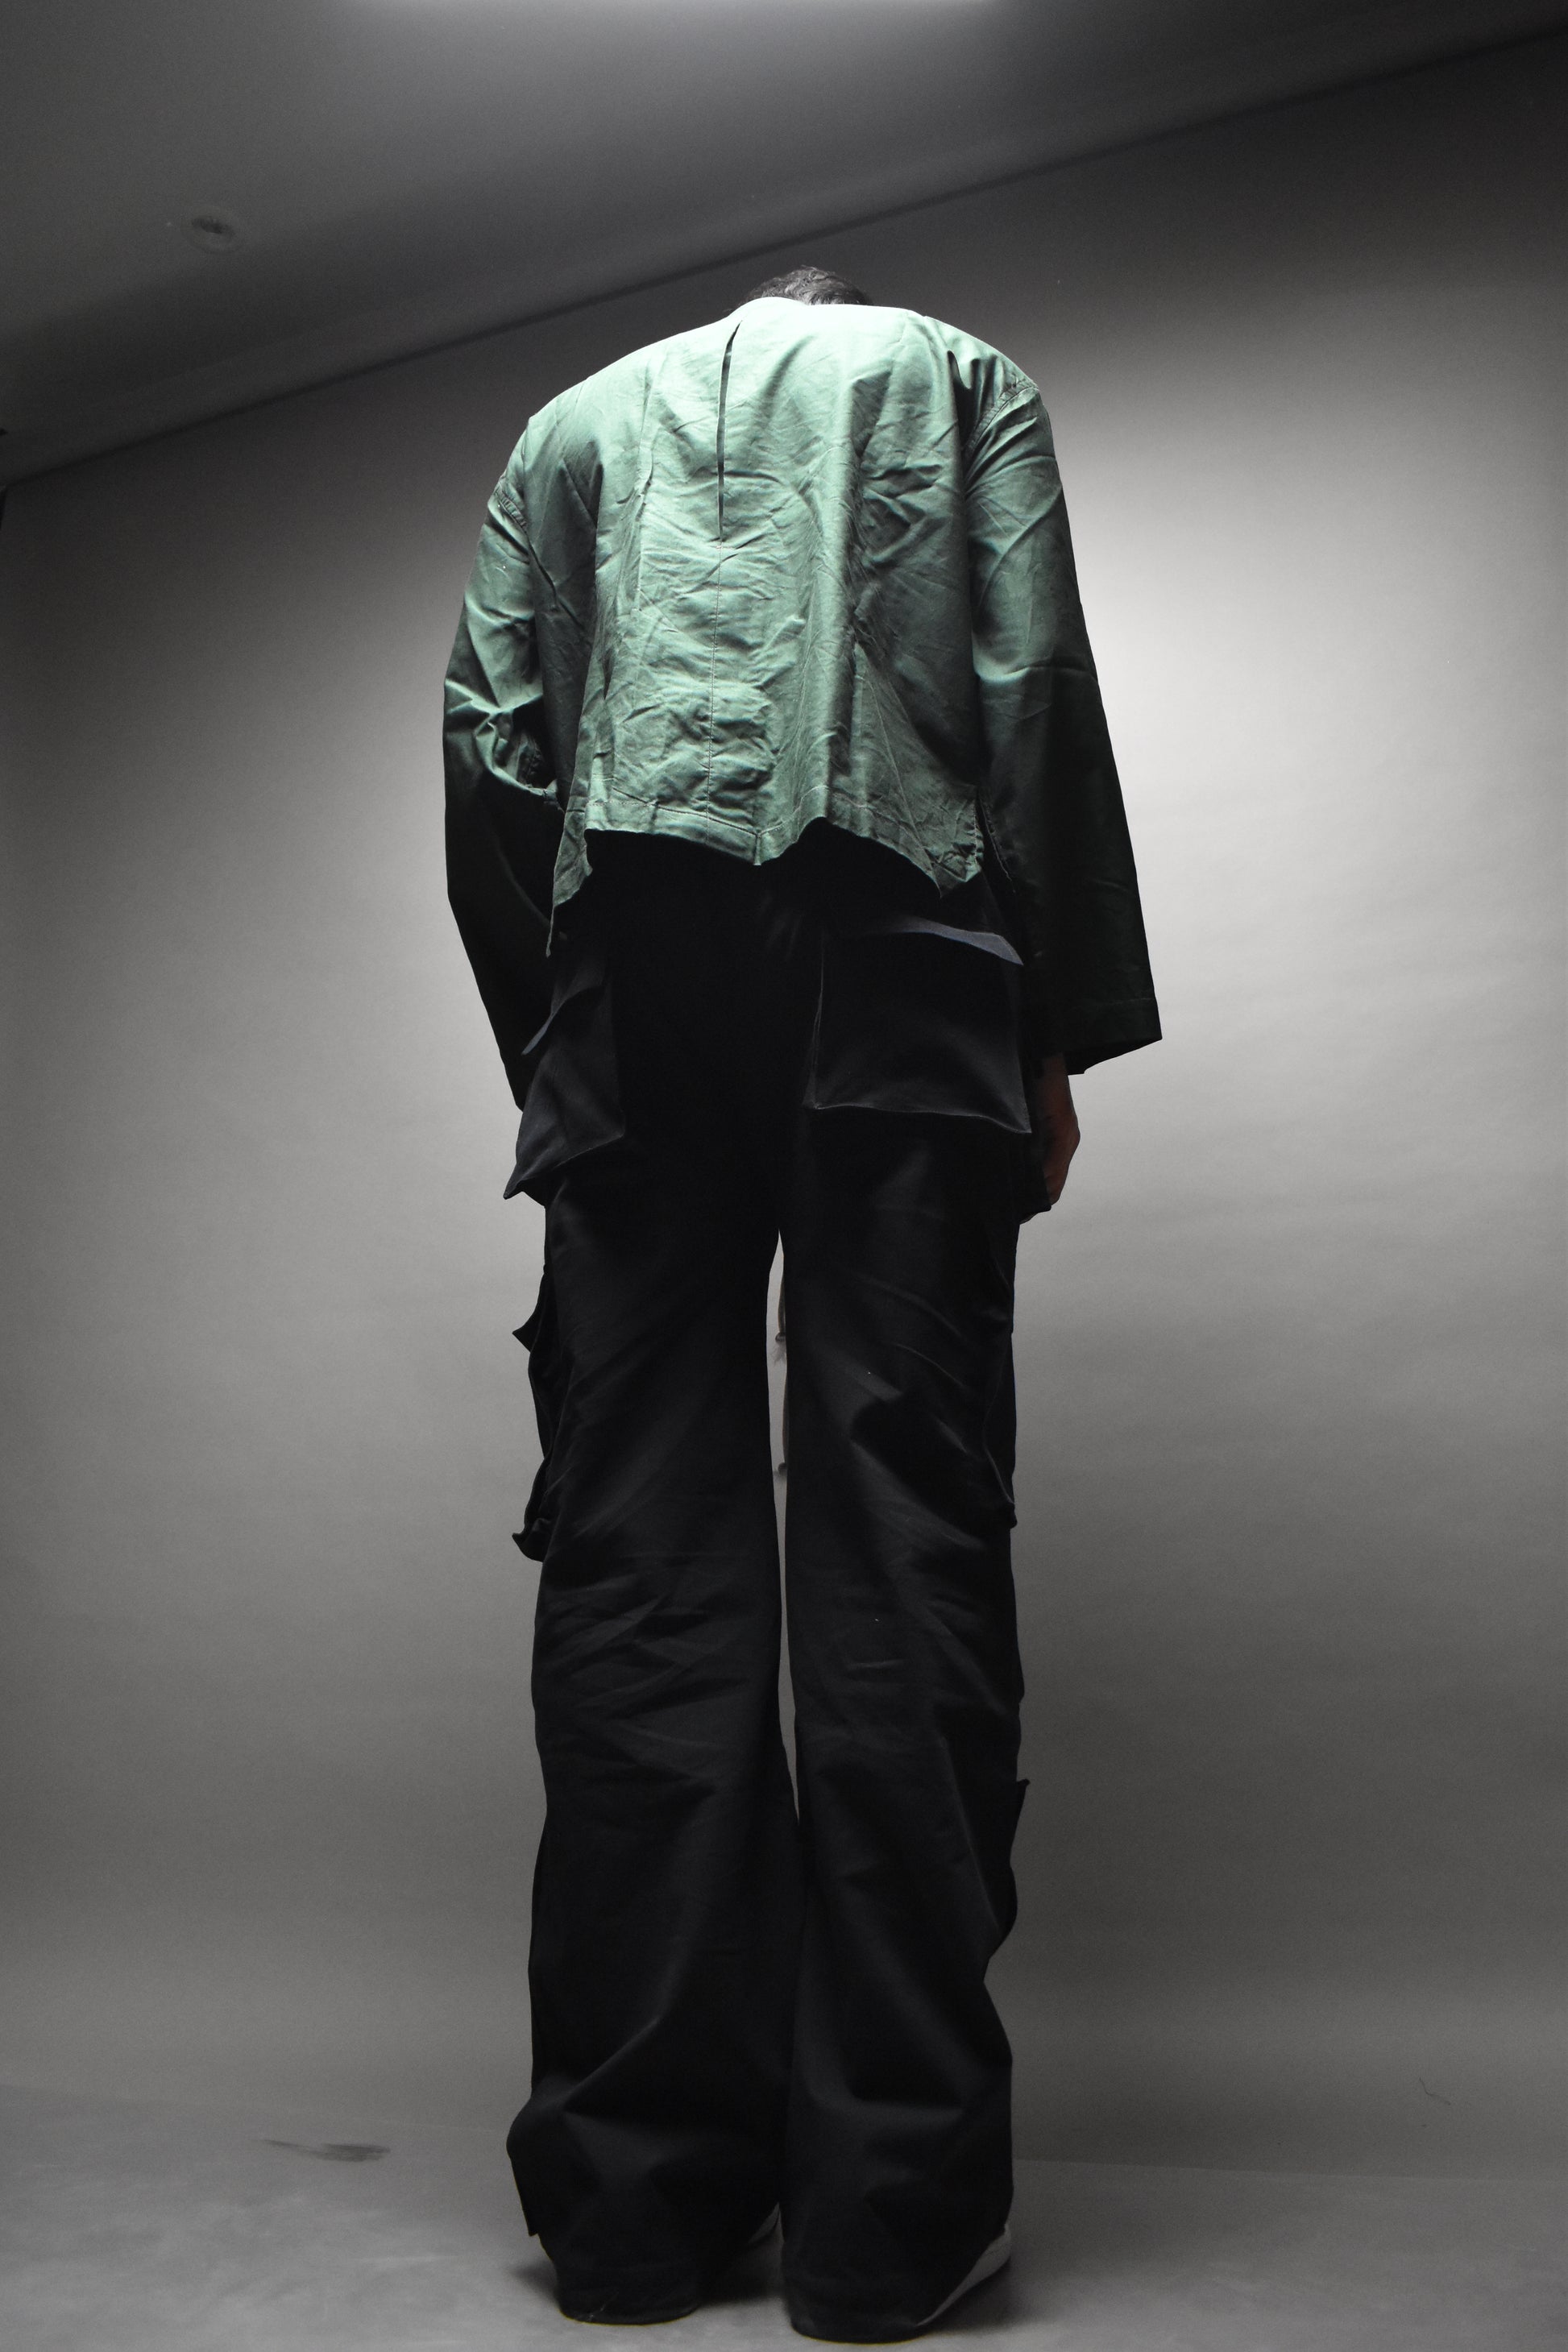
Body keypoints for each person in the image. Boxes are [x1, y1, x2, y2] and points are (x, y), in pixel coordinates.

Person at [442, 263, 1159, 2341]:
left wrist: (560, 1031)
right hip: (902, 956)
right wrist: (1052, 1024)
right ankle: (883, 2223)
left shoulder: (564, 426)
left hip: (630, 981)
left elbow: (494, 748)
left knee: (640, 1568)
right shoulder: (954, 369)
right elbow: (1031, 685)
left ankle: (635, 2217)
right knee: (900, 1540)